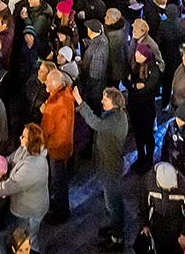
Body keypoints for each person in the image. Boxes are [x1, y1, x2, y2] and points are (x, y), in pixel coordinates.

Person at [73, 86, 129, 247]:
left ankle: (117, 238)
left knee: (114, 203)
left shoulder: (115, 120)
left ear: (114, 103)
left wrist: (80, 102)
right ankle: (114, 227)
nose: (101, 101)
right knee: (110, 201)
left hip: (111, 167)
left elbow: (95, 123)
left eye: (105, 99)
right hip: (107, 164)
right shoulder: (115, 115)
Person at [0, 123, 50, 254]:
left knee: (28, 240)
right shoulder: (25, 150)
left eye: (23, 136)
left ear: (31, 142)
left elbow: (9, 187)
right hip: (26, 205)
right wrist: (0, 164)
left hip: (29, 211)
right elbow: (11, 159)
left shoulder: (32, 167)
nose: (20, 138)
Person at [140, 162, 185, 254]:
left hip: (177, 223)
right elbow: (143, 204)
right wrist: (144, 224)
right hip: (157, 223)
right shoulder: (148, 182)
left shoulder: (184, 186)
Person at [40, 69, 74, 224]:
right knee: (61, 180)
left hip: (56, 147)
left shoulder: (53, 105)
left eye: (47, 81)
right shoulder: (67, 93)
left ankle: (60, 213)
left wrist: (44, 110)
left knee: (57, 181)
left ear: (54, 84)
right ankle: (61, 206)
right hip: (66, 144)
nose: (45, 83)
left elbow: (45, 129)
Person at [127, 43, 162, 172]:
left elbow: (148, 89)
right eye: (136, 52)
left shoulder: (153, 70)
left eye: (140, 54)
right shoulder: (134, 65)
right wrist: (135, 86)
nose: (136, 55)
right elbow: (127, 81)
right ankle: (141, 156)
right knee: (138, 134)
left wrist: (133, 86)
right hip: (134, 106)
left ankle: (149, 159)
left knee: (147, 135)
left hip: (146, 109)